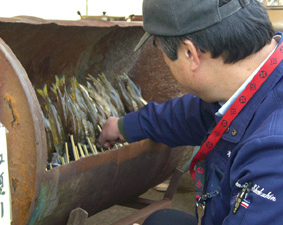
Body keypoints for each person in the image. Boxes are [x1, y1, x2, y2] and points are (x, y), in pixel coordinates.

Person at [98, 0, 283, 224]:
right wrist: (124, 126)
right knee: (162, 220)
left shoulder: (272, 152)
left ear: (189, 53)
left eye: (163, 54)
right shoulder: (256, 78)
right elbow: (195, 114)